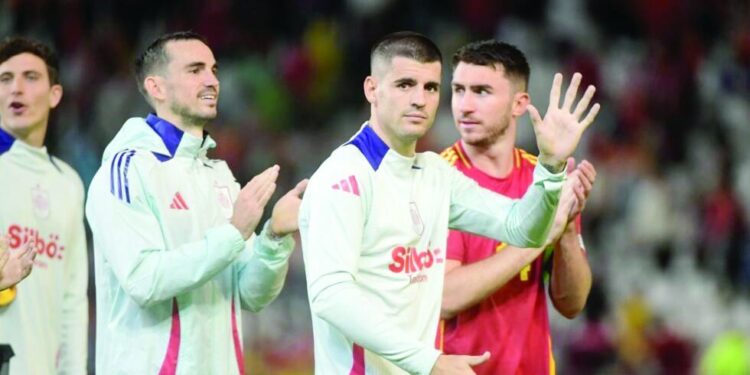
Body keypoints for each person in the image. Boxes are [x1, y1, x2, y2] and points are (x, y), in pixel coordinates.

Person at [299, 31, 599, 375]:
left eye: (430, 87)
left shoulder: (435, 174)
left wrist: (550, 166)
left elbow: (520, 227)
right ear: (371, 89)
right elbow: (331, 296)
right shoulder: (343, 177)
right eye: (405, 84)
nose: (419, 99)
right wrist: (430, 361)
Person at [86, 31, 307, 374]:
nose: (211, 80)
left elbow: (250, 295)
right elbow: (144, 279)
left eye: (214, 70)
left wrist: (274, 239)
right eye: (195, 70)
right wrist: (234, 232)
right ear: (156, 87)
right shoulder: (127, 168)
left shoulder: (217, 175)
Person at [436, 40, 595, 374]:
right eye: (458, 90)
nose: (464, 106)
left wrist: (565, 227)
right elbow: (443, 298)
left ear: (518, 103)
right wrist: (535, 239)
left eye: (481, 92)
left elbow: (572, 303)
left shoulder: (543, 181)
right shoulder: (436, 180)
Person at [0, 36, 88, 374]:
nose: (15, 89)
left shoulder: (68, 184)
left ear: (55, 95)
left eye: (30, 77)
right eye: (5, 79)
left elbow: (73, 299)